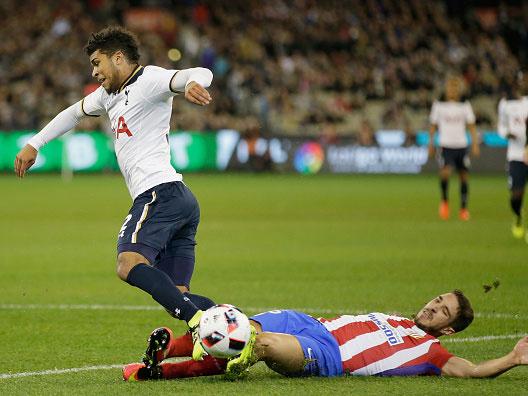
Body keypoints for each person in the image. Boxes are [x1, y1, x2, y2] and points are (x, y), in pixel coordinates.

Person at [13, 26, 216, 359]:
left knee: (127, 264)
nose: (94, 72)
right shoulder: (107, 95)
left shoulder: (149, 80)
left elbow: (197, 72)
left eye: (97, 63)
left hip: (159, 194)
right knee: (175, 294)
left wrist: (194, 83)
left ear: (118, 57)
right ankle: (248, 328)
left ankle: (197, 322)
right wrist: (36, 143)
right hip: (178, 199)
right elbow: (73, 113)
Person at [122, 290, 528, 381]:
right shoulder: (395, 317)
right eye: (436, 300)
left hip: (326, 355)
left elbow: (471, 370)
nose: (432, 307)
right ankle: (165, 353)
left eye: (442, 311)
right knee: (235, 326)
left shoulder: (432, 353)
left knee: (258, 345)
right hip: (311, 323)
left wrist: (512, 359)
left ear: (449, 328)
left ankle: (164, 371)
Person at [429, 77, 479, 221]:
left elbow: (471, 125)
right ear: (446, 89)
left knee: (463, 176)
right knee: (445, 173)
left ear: (459, 89)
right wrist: (431, 144)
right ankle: (444, 201)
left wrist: (475, 143)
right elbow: (433, 126)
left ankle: (463, 208)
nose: (453, 90)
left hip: (462, 145)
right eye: (451, 87)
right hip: (445, 145)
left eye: (456, 87)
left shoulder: (465, 105)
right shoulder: (439, 105)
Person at [497, 86, 528, 241]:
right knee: (516, 195)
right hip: (516, 155)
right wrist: (506, 133)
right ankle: (518, 216)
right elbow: (501, 126)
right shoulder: (505, 104)